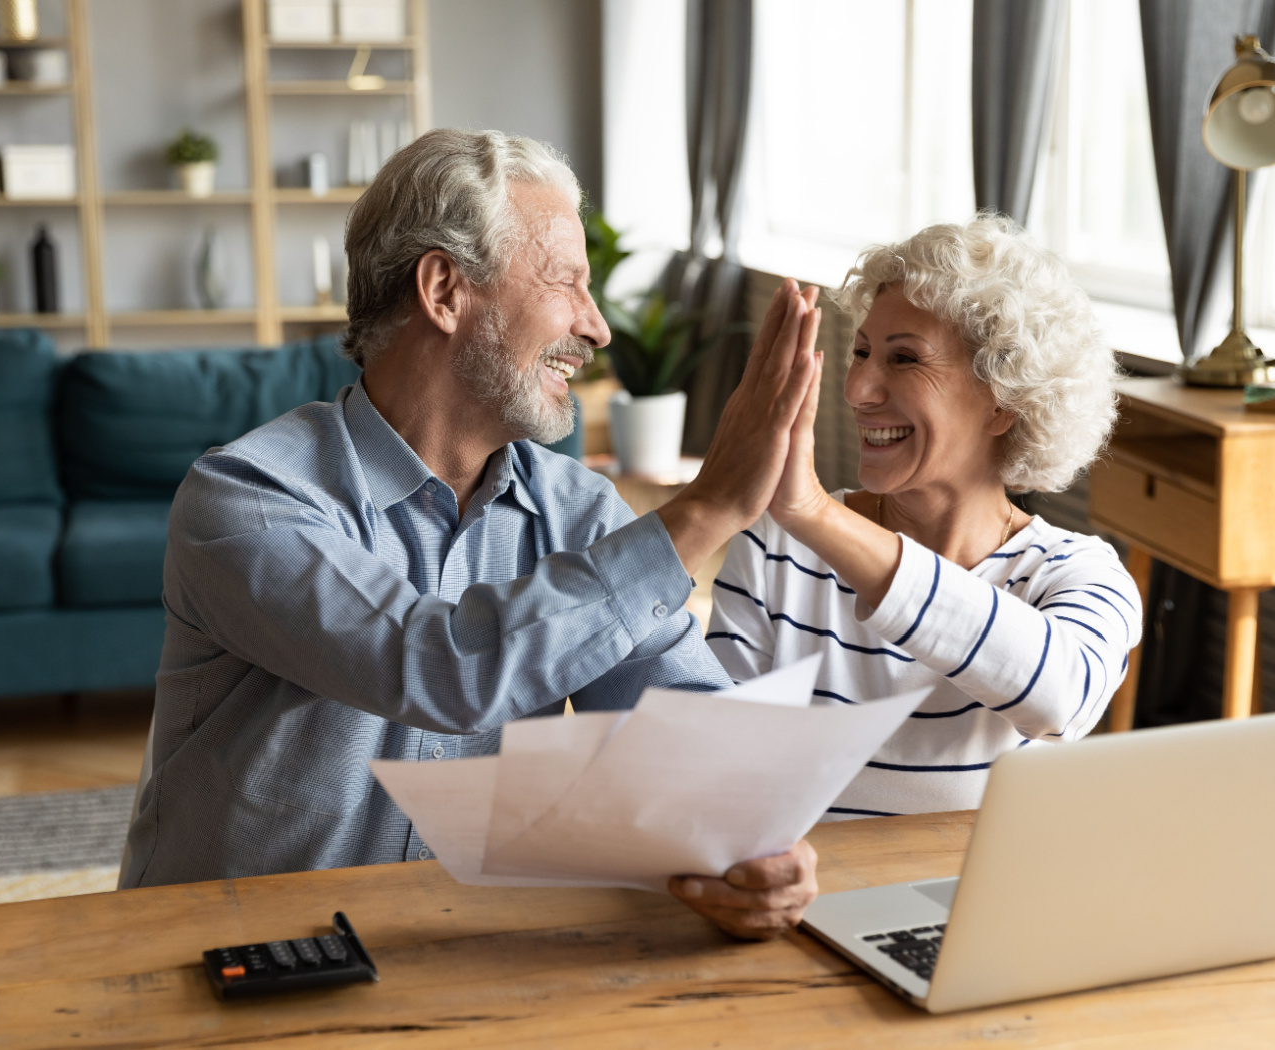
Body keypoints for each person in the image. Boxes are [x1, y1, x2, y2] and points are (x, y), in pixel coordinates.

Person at [121, 129, 822, 940]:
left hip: (451, 951)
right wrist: (704, 511)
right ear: (444, 290)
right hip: (226, 958)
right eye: (568, 283)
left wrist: (753, 841)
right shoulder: (247, 498)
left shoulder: (579, 513)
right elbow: (436, 667)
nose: (596, 329)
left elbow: (682, 728)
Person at [707, 214, 1140, 818]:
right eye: (860, 352)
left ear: (1005, 402)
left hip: (982, 905)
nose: (858, 388)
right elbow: (716, 765)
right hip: (806, 897)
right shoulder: (780, 544)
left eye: (905, 359)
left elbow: (1061, 698)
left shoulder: (1076, 574)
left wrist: (815, 515)